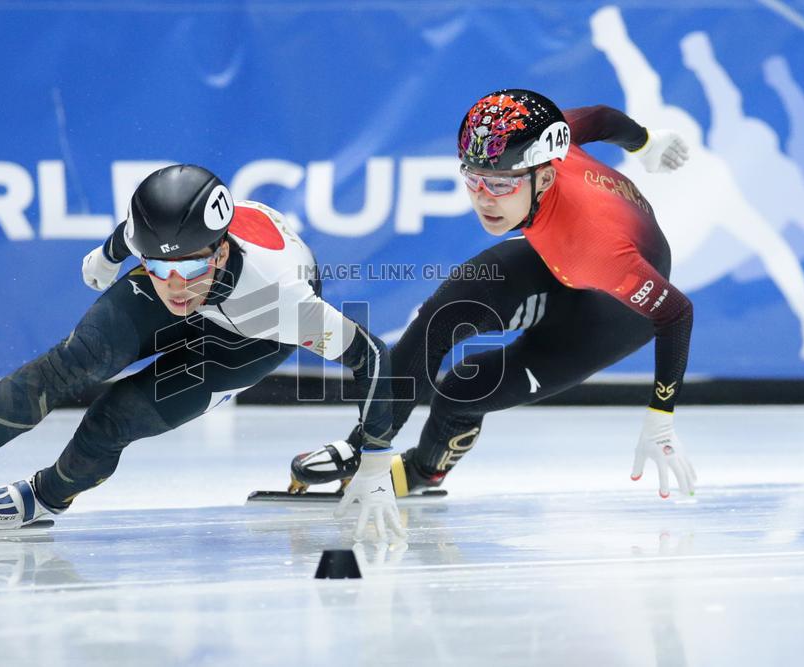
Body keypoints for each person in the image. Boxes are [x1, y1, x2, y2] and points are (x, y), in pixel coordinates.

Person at [0, 164, 403, 539]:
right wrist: (109, 255)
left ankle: (48, 494)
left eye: (189, 268)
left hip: (246, 338)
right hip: (210, 284)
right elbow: (134, 236)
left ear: (218, 251)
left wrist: (374, 460)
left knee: (117, 416)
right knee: (70, 365)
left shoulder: (282, 299)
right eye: (158, 267)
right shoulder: (164, 242)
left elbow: (373, 357)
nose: (175, 285)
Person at [291, 89, 697, 509]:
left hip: (612, 309)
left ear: (545, 175)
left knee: (464, 389)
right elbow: (599, 117)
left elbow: (676, 313)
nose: (484, 198)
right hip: (558, 258)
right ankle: (365, 446)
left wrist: (660, 417)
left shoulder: (596, 247)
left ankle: (420, 471)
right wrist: (645, 142)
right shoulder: (540, 137)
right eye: (473, 178)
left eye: (501, 184)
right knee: (441, 317)